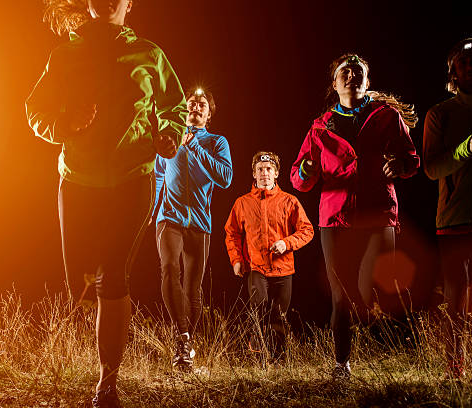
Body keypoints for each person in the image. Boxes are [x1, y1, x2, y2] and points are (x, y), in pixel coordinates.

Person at [26, 0, 186, 406]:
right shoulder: (64, 54)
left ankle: (107, 383)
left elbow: (174, 107)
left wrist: (169, 134)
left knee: (113, 277)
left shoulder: (150, 55)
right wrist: (66, 121)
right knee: (79, 284)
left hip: (133, 180)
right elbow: (36, 110)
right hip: (77, 181)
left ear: (129, 4)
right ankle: (98, 345)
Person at [290, 54, 419, 379]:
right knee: (341, 295)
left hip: (378, 213)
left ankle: (392, 346)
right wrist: (306, 169)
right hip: (335, 217)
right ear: (334, 84)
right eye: (344, 72)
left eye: (358, 71)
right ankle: (342, 364)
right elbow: (299, 177)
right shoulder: (320, 127)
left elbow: (410, 157)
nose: (351, 75)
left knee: (373, 286)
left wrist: (401, 166)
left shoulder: (387, 116)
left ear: (367, 81)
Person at [423, 38, 472, 378]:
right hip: (452, 224)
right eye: (464, 62)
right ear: (453, 71)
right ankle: (456, 369)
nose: (471, 66)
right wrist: (466, 147)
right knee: (455, 304)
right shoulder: (440, 114)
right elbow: (432, 168)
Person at [154, 88, 233, 370]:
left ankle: (187, 344)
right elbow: (158, 174)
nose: (196, 107)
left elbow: (225, 178)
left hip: (200, 223)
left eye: (202, 105)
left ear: (209, 114)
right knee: (169, 269)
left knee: (193, 287)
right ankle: (182, 338)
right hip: (169, 218)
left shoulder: (216, 142)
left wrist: (195, 147)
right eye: (191, 104)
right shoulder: (171, 137)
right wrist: (151, 212)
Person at [225, 152, 313, 360]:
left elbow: (307, 230)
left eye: (268, 169)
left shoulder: (290, 201)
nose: (264, 173)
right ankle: (257, 357)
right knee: (259, 307)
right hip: (257, 268)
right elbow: (232, 233)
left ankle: (278, 359)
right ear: (254, 175)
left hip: (284, 269)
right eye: (260, 170)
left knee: (278, 316)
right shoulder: (242, 203)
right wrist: (237, 260)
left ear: (276, 174)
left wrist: (286, 243)